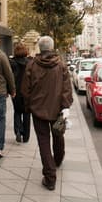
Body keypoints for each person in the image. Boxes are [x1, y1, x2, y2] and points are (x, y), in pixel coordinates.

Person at [21, 35, 73, 191]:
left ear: (40, 48)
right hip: (58, 109)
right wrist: (66, 106)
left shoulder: (31, 65)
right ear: (52, 47)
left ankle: (50, 178)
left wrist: (28, 106)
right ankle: (57, 159)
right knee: (58, 135)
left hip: (38, 111)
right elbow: (66, 88)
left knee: (43, 142)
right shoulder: (61, 65)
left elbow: (26, 89)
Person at [9, 43, 31, 143]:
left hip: (15, 91)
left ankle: (18, 130)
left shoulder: (11, 62)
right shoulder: (30, 62)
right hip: (27, 91)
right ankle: (26, 136)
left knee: (17, 111)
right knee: (27, 113)